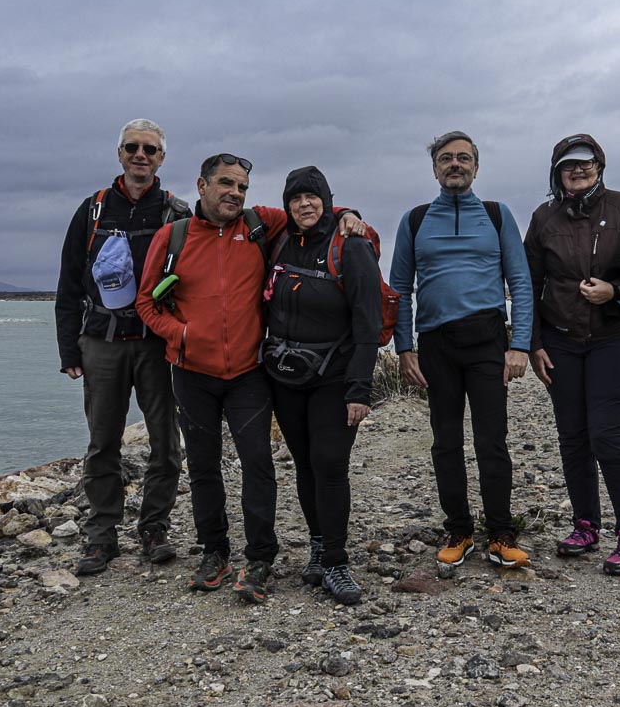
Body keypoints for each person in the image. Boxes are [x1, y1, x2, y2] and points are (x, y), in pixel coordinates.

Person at [135, 153, 367, 604]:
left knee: (258, 465)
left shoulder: (260, 224)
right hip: (191, 373)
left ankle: (261, 557)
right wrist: (180, 334)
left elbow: (315, 210)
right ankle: (215, 550)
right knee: (202, 467)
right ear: (201, 185)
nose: (235, 194)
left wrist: (351, 215)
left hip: (247, 373)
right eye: (226, 184)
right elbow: (146, 303)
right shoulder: (174, 235)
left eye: (242, 186)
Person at [390, 130, 534, 570]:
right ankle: (459, 529)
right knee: (445, 441)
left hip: (487, 338)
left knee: (493, 439)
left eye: (464, 158)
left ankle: (502, 532)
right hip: (436, 343)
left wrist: (520, 344)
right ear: (435, 168)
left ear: (476, 166)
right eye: (446, 159)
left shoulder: (496, 215)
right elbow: (400, 288)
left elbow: (521, 282)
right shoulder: (415, 219)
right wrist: (405, 347)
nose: (455, 165)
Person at [523, 134, 620, 576]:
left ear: (599, 167)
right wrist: (532, 343)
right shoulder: (544, 216)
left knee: (607, 434)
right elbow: (528, 282)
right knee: (573, 437)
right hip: (560, 343)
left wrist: (617, 291)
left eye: (586, 164)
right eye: (569, 166)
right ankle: (585, 525)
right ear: (556, 172)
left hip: (614, 339)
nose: (578, 171)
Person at [55, 118, 189, 577]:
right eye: (132, 147)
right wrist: (68, 352)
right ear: (119, 154)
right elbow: (69, 284)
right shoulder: (91, 211)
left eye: (150, 149)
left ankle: (154, 529)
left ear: (161, 159)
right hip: (101, 343)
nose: (140, 155)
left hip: (157, 345)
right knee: (101, 446)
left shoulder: (177, 213)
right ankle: (100, 537)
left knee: (167, 445)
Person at [262, 166, 381, 606]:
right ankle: (316, 544)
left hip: (334, 376)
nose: (304, 205)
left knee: (329, 464)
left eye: (313, 197)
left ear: (327, 200)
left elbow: (368, 324)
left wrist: (359, 389)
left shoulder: (351, 247)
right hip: (285, 376)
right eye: (296, 199)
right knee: (306, 464)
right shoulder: (280, 241)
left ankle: (335, 560)